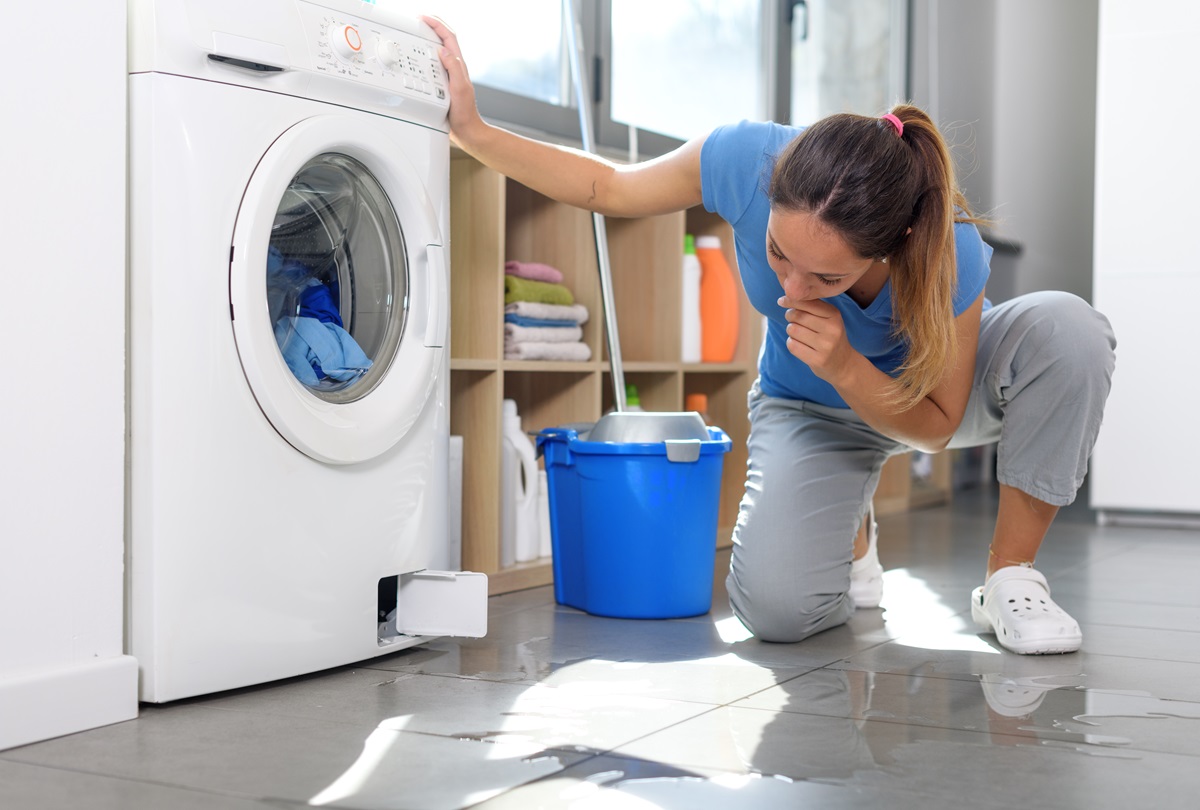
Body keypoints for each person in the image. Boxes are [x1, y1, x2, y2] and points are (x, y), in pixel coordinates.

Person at [422, 17, 1116, 655]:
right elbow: (610, 188)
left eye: (828, 279)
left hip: (924, 398)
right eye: (780, 255)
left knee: (1070, 329)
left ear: (892, 244)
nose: (790, 292)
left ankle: (1010, 580)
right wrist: (475, 132)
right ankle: (852, 531)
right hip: (811, 412)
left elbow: (935, 429)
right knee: (776, 613)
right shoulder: (743, 159)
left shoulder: (946, 249)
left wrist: (846, 362)